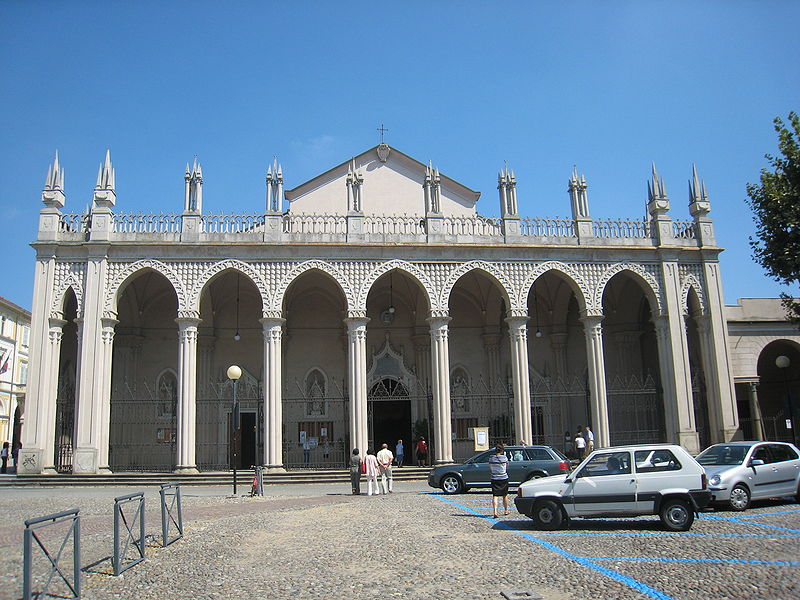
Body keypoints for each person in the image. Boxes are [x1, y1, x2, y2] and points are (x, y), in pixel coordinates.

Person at [488, 444, 510, 518]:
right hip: (503, 477)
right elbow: (507, 466)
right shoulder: (504, 458)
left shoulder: (491, 458)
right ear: (502, 451)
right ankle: (506, 510)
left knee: (495, 495)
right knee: (505, 495)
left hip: (494, 478)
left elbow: (490, 468)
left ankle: (495, 512)